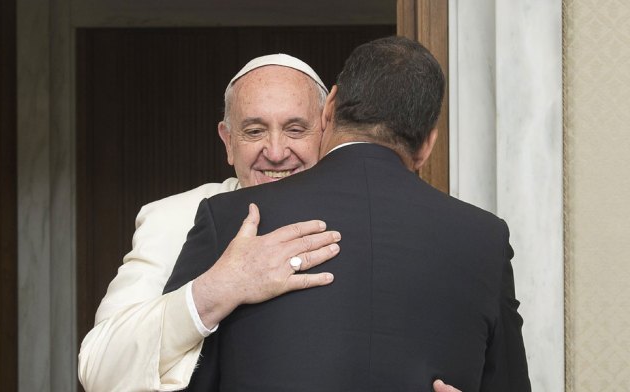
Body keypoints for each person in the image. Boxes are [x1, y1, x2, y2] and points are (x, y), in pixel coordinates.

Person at [164, 36, 531, 391]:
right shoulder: (485, 239)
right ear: (428, 144)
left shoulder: (230, 219)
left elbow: (166, 376)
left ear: (330, 107)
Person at [79, 52, 461, 392]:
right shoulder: (175, 217)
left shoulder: (382, 225)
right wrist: (217, 288)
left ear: (327, 128)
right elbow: (98, 368)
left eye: (296, 129)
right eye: (254, 131)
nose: (276, 153)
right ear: (227, 141)